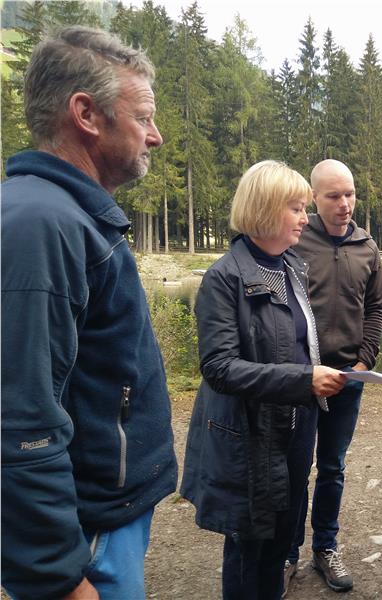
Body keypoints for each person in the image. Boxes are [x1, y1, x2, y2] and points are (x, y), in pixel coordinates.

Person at [1, 26, 178, 600]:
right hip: (86, 536)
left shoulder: (66, 216)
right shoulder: (41, 226)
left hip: (102, 520)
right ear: (86, 114)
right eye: (143, 117)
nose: (156, 136)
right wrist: (58, 577)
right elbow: (20, 421)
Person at [180, 160, 347, 600]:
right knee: (248, 547)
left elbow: (294, 341)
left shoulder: (292, 266)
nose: (305, 218)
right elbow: (219, 367)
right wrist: (303, 380)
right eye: (296, 208)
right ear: (266, 209)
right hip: (249, 437)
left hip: (295, 431)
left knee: (280, 541)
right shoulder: (225, 277)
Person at [285, 159, 382, 594]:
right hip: (301, 379)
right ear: (314, 198)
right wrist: (298, 370)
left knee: (332, 467)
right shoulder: (295, 241)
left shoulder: (367, 247)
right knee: (293, 468)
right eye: (333, 196)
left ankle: (325, 547)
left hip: (347, 378)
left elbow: (376, 309)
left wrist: (363, 363)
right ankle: (287, 553)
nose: (345, 204)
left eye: (350, 194)